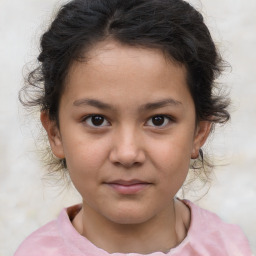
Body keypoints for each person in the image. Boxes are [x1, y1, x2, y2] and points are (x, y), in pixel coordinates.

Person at [15, 0, 253, 255]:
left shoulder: (231, 248)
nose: (127, 154)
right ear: (55, 133)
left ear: (199, 131)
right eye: (96, 120)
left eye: (158, 120)